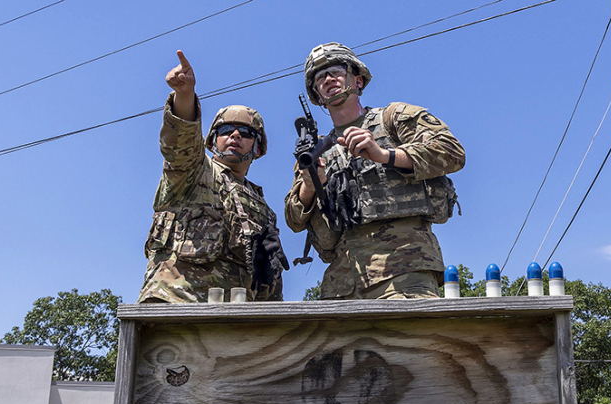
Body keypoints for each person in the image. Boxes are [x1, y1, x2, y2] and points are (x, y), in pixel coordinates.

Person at [284, 43, 465, 300]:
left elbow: (451, 151)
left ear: (357, 80)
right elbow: (293, 219)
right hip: (342, 283)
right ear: (317, 95)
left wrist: (384, 155)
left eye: (335, 71)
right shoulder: (314, 152)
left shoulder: (393, 117)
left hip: (404, 268)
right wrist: (310, 185)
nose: (327, 79)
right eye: (319, 78)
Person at [138, 50, 288, 303]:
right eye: (226, 130)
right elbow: (181, 141)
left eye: (246, 133)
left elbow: (269, 279)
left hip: (236, 321)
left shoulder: (263, 209)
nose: (236, 136)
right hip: (176, 304)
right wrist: (184, 94)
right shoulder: (194, 171)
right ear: (211, 142)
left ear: (258, 148)